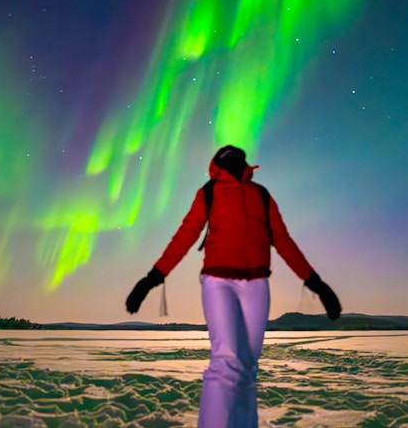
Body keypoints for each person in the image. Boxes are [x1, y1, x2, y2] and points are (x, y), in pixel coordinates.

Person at [125, 145, 342, 428]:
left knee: (248, 368)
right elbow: (185, 235)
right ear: (216, 164)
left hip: (257, 285)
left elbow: (283, 241)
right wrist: (153, 277)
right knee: (226, 361)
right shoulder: (209, 191)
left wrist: (316, 283)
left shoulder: (261, 195)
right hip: (219, 282)